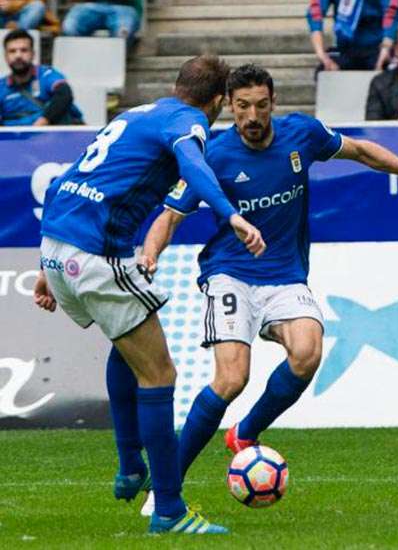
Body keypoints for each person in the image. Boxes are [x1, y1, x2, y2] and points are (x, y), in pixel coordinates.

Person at [137, 65, 398, 508]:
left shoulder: (301, 135)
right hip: (230, 272)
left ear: (274, 103)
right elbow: (170, 216)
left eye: (262, 105)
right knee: (232, 378)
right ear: (229, 106)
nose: (253, 115)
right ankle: (164, 486)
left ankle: (245, 432)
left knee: (307, 354)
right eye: (243, 106)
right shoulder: (211, 154)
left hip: (285, 274)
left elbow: (362, 151)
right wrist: (151, 253)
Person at [33, 55, 265, 535]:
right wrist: (231, 214)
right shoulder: (189, 122)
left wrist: (45, 263)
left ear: (176, 84)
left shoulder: (135, 114)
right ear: (220, 101)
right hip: (94, 254)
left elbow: (64, 180)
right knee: (160, 374)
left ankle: (128, 465)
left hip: (57, 243)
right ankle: (169, 511)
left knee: (129, 345)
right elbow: (195, 167)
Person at [1, 29, 84, 126]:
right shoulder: (1, 86)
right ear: (5, 56)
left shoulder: (46, 75)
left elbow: (64, 94)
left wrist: (42, 123)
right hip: (13, 139)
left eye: (24, 50)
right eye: (12, 51)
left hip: (50, 136)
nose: (18, 55)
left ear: (33, 54)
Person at [308, 0, 398, 72]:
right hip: (345, 50)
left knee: (392, 72)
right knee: (323, 71)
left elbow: (391, 11)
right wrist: (321, 54)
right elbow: (315, 12)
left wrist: (385, 49)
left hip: (377, 48)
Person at [62, 0, 141, 46]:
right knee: (69, 28)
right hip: (88, 5)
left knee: (122, 34)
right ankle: (80, 61)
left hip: (123, 7)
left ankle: (111, 65)